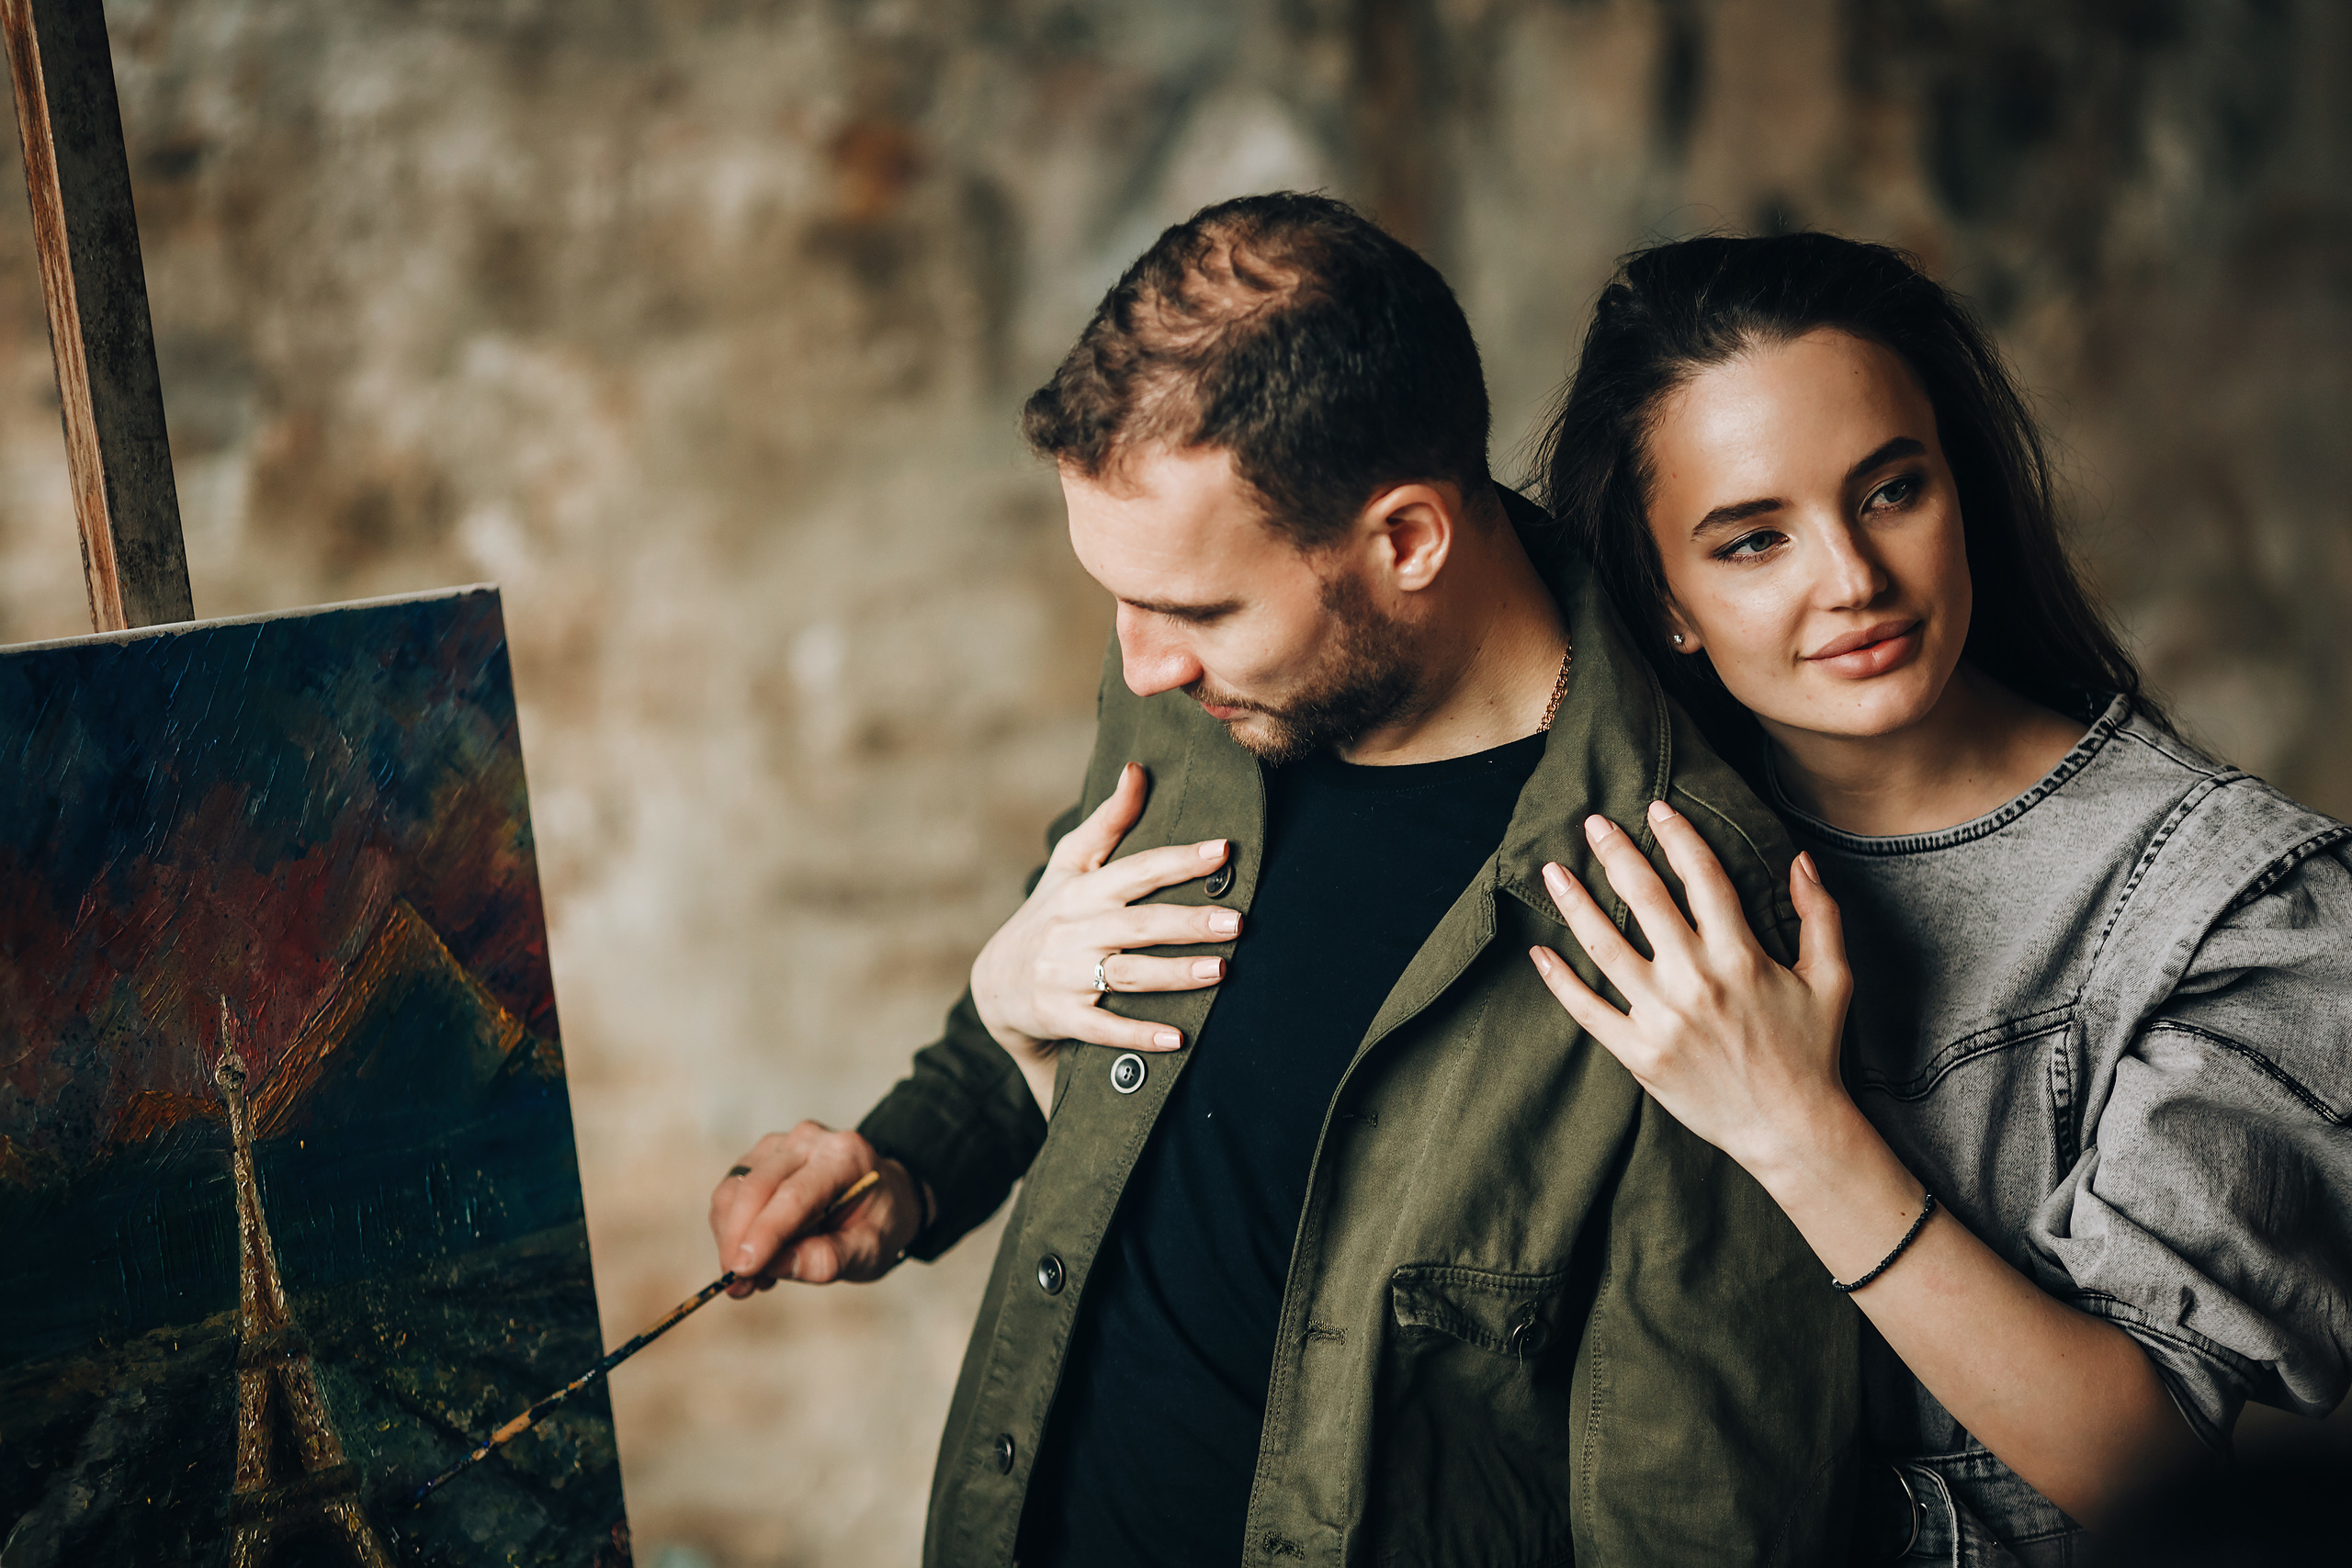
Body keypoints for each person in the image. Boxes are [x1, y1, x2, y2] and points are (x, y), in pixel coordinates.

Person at [707, 195, 1861, 1567]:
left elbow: (1698, 1528)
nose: (1139, 665)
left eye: (1195, 610)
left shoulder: (1695, 906)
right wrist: (904, 1161)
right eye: (1120, 599)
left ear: (1408, 540)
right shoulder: (1201, 688)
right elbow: (1075, 984)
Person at [1525, 231, 2352, 1566]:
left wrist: (1797, 1128)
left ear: (1961, 490)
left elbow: (2140, 1466)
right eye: (1754, 541)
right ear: (1665, 597)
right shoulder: (1619, 848)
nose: (1852, 579)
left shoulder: (2236, 905)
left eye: (1891, 490)